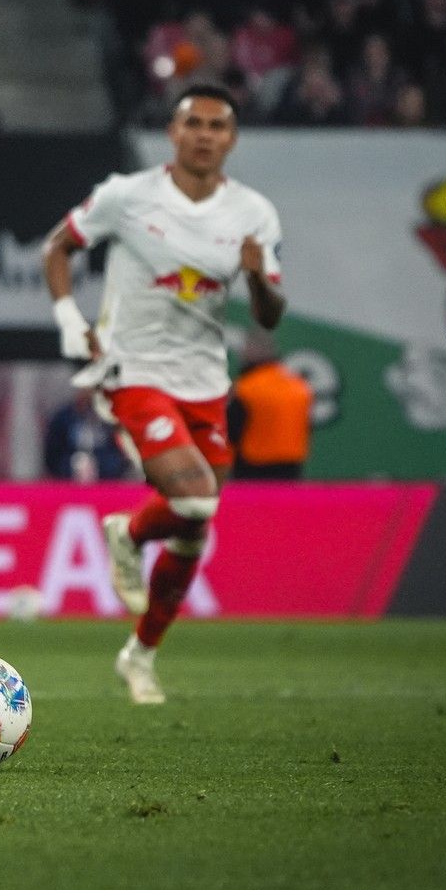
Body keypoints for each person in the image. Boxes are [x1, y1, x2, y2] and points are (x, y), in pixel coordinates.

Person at [40, 83, 286, 704]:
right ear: (173, 133)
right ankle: (126, 532)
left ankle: (140, 653)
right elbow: (58, 247)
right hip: (132, 370)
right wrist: (72, 321)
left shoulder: (253, 213)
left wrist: (259, 280)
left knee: (193, 531)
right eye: (194, 123)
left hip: (205, 381)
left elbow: (270, 315)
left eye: (218, 126)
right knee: (197, 497)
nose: (205, 135)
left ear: (232, 139)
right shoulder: (127, 196)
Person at [228, 332, 312, 480]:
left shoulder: (246, 388)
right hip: (292, 468)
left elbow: (232, 432)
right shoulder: (300, 386)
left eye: (247, 348)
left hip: (251, 468)